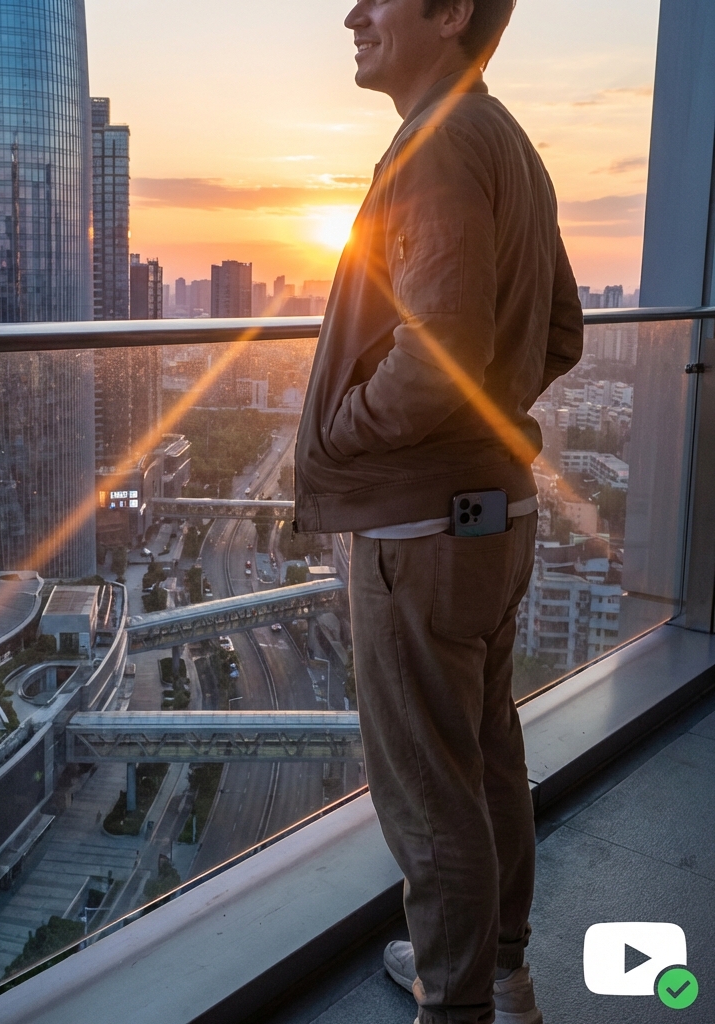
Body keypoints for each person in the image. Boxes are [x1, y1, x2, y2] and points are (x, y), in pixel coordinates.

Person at [294, 2, 583, 1023]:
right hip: (493, 516)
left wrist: (340, 435)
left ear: (450, 12)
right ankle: (497, 975)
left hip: (418, 531)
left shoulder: (435, 145)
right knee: (485, 750)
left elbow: (437, 358)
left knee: (426, 794)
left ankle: (451, 1001)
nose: (352, 14)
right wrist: (483, 415)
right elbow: (560, 334)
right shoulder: (506, 141)